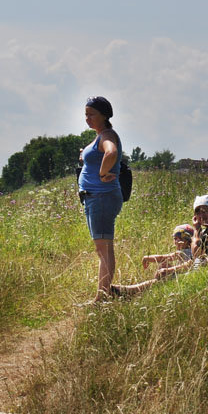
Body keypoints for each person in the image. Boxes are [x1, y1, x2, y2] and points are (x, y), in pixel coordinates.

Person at [78, 95, 124, 303]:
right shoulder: (100, 136)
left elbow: (111, 152)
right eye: (85, 114)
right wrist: (86, 155)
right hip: (95, 198)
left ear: (104, 115)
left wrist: (103, 173)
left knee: (104, 249)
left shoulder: (107, 135)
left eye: (91, 114)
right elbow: (100, 153)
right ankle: (101, 296)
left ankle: (102, 298)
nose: (87, 118)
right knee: (101, 248)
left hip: (101, 197)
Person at [111, 224, 194, 297]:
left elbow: (162, 257)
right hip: (182, 276)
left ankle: (131, 291)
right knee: (164, 265)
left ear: (187, 241)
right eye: (175, 239)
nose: (176, 242)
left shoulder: (183, 253)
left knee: (163, 266)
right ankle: (148, 288)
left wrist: (147, 258)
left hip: (182, 278)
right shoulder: (188, 252)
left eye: (180, 239)